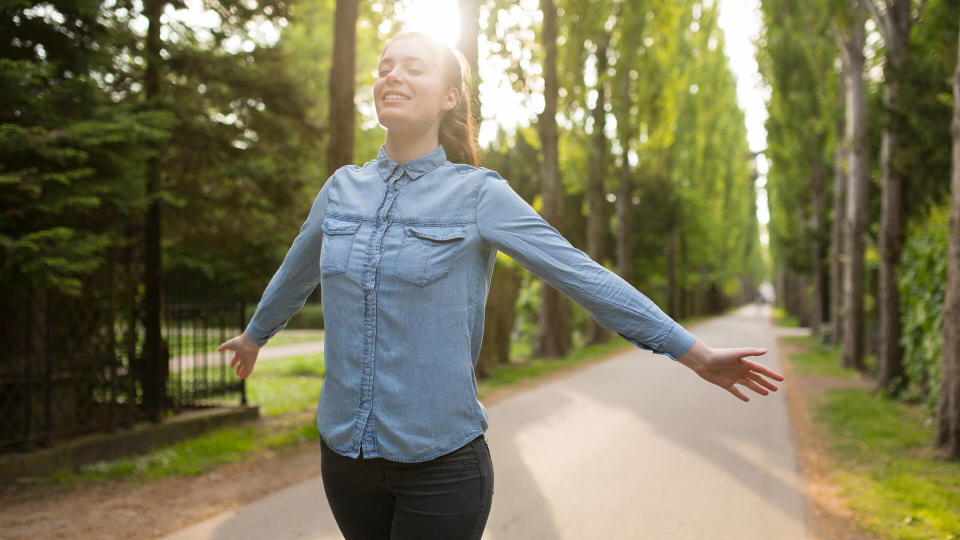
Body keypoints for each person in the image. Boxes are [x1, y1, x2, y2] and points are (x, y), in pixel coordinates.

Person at [217, 31, 784, 540]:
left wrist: (694, 352)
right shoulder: (341, 190)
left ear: (449, 97)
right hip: (344, 458)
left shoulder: (479, 195)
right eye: (386, 65)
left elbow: (582, 276)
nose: (392, 74)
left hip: (441, 469)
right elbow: (296, 272)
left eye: (414, 66)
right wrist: (255, 336)